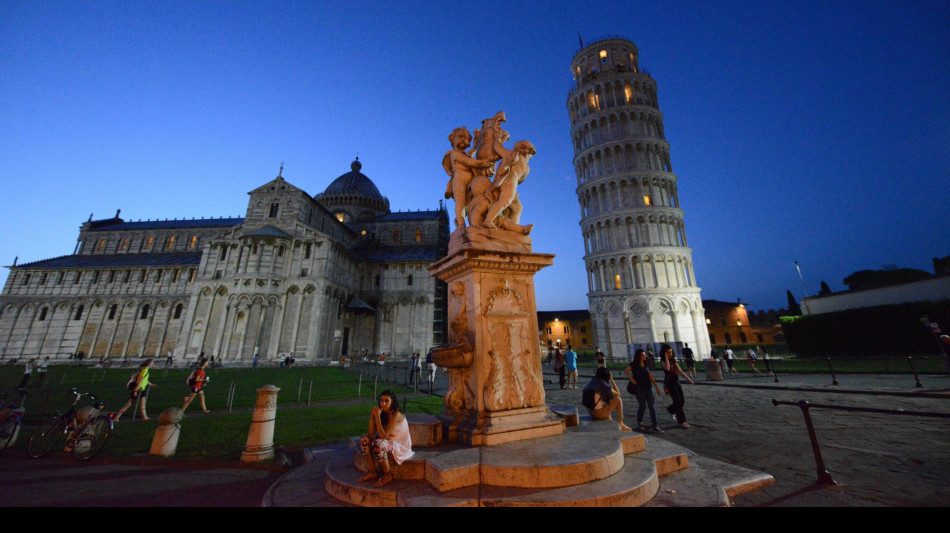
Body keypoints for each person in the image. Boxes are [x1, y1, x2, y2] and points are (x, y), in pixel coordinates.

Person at [358, 390, 413, 487]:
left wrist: (378, 417)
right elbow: (371, 433)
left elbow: (384, 436)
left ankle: (388, 475)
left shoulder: (396, 414)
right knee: (364, 439)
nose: (383, 403)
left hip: (400, 445)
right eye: (381, 400)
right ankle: (372, 471)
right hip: (389, 441)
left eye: (387, 401)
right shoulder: (383, 413)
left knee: (378, 444)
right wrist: (372, 415)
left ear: (392, 402)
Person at [625, 349, 664, 433]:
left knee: (652, 407)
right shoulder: (634, 364)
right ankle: (640, 421)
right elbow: (626, 370)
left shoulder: (646, 364)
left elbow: (650, 375)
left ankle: (655, 425)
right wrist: (631, 379)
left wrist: (656, 386)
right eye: (642, 355)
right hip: (639, 388)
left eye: (644, 355)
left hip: (648, 387)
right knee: (642, 406)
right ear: (639, 356)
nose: (644, 356)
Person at [582, 367, 632, 431]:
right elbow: (618, 394)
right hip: (598, 414)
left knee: (606, 405)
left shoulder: (593, 381)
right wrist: (612, 379)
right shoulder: (604, 385)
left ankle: (610, 422)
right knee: (618, 400)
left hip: (590, 411)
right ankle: (621, 423)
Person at [661, 344, 694, 428]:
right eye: (668, 353)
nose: (670, 354)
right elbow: (667, 369)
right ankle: (682, 421)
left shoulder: (674, 361)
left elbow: (680, 371)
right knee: (677, 402)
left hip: (676, 382)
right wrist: (665, 357)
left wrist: (688, 379)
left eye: (671, 352)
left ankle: (671, 409)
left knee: (682, 400)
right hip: (670, 383)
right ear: (664, 353)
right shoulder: (663, 361)